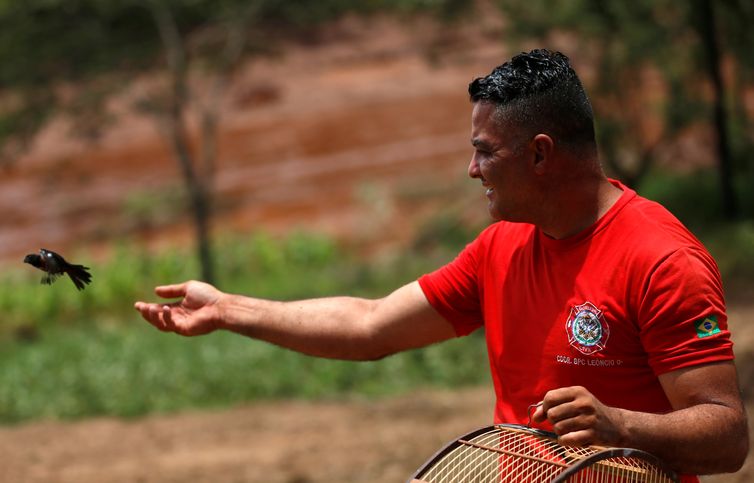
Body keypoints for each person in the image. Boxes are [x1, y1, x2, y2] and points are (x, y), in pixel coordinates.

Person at [134, 49, 748, 480]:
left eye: (485, 152)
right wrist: (229, 309)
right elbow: (370, 324)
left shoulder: (662, 261)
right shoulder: (501, 249)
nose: (472, 170)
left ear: (541, 155)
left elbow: (727, 437)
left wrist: (620, 426)